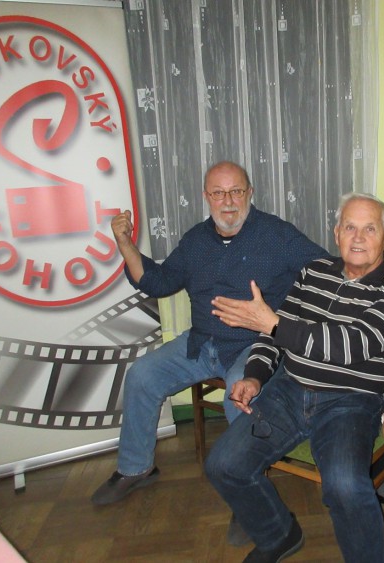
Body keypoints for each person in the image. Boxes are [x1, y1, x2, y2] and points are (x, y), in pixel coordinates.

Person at [91, 161, 327, 513]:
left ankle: (248, 492)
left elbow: (325, 270)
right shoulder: (196, 241)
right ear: (206, 197)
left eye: (236, 191)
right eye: (218, 193)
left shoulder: (277, 235)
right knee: (142, 375)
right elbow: (157, 282)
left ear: (249, 193)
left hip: (254, 345)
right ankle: (135, 468)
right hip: (202, 343)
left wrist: (383, 287)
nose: (228, 201)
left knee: (239, 391)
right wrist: (124, 242)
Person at [205, 193, 384, 563]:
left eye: (370, 229)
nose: (357, 237)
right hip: (287, 390)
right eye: (349, 227)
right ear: (336, 234)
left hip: (350, 402)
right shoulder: (313, 272)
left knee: (345, 486)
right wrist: (255, 376)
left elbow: (351, 345)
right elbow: (274, 335)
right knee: (224, 465)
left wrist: (273, 323)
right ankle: (279, 535)